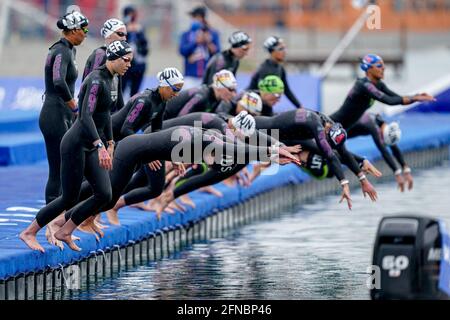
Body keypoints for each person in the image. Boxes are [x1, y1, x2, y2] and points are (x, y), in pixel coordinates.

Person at [49, 125, 300, 250]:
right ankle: (58, 224)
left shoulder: (213, 139)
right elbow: (243, 150)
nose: (212, 164)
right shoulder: (216, 143)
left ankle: (64, 223)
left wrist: (276, 149)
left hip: (140, 151)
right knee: (103, 195)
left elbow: (246, 144)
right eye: (216, 160)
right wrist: (273, 151)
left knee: (105, 195)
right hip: (131, 150)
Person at [20, 40, 133, 253]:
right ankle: (29, 231)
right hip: (75, 145)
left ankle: (65, 230)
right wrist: (100, 144)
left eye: (130, 61)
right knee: (68, 197)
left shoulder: (113, 79)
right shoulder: (97, 81)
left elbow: (105, 115)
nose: (128, 64)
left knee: (104, 194)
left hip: (91, 144)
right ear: (114, 58)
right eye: (126, 60)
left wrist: (110, 142)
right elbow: (85, 117)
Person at [254, 108, 380, 209]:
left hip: (275, 138)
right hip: (260, 129)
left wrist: (362, 172)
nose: (327, 144)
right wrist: (345, 184)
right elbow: (330, 155)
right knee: (240, 153)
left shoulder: (329, 124)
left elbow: (342, 152)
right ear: (327, 131)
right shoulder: (316, 126)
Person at [40, 11, 88, 204]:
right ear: (73, 30)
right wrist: (73, 106)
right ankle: (50, 219)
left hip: (63, 113)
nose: (86, 34)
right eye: (84, 30)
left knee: (68, 166)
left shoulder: (70, 49)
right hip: (54, 113)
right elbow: (58, 80)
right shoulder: (61, 50)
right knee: (58, 169)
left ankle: (62, 213)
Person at [330, 54, 436, 130]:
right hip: (331, 125)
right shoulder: (364, 85)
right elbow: (390, 101)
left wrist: (416, 96)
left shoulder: (379, 84)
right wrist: (415, 98)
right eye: (379, 65)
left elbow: (397, 98)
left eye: (383, 65)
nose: (384, 68)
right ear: (369, 69)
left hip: (344, 128)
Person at [111, 67, 184, 142]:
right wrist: (144, 142)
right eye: (175, 89)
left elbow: (156, 130)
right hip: (107, 136)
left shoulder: (162, 102)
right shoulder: (144, 101)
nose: (177, 94)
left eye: (179, 91)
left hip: (117, 139)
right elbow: (126, 129)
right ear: (164, 85)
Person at [347, 112, 413, 191]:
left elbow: (393, 146)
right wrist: (397, 173)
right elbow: (383, 151)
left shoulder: (382, 124)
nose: (383, 142)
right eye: (383, 140)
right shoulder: (373, 127)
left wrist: (406, 169)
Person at [82, 18, 127, 113]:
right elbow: (91, 88)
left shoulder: (117, 56)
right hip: (96, 112)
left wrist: (122, 116)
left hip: (107, 112)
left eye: (125, 35)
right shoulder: (100, 54)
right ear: (108, 35)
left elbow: (119, 93)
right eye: (120, 34)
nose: (124, 38)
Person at [247, 36, 302, 109]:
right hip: (254, 106)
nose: (284, 51)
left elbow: (286, 90)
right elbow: (260, 94)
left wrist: (299, 106)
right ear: (272, 51)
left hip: (265, 106)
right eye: (281, 49)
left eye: (284, 48)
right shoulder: (265, 69)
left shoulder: (280, 68)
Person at [163, 69, 237, 119]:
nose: (234, 94)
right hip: (161, 116)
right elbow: (181, 118)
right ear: (219, 87)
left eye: (235, 90)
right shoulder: (202, 96)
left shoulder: (217, 99)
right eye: (231, 89)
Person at [179, 5, 220, 89]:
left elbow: (218, 53)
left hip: (208, 76)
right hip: (190, 76)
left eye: (195, 16)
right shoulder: (186, 34)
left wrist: (208, 42)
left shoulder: (212, 33)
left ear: (202, 17)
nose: (193, 19)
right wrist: (195, 42)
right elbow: (182, 51)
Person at [122, 5, 149, 97]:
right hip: (125, 64)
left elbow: (145, 50)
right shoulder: (121, 28)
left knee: (134, 93)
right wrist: (127, 31)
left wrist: (139, 32)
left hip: (138, 65)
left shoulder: (140, 29)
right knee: (121, 90)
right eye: (130, 14)